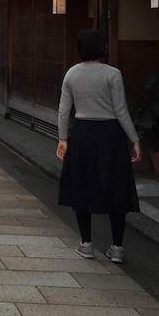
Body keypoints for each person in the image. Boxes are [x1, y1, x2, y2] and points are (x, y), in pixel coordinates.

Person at [57, 29, 141, 264]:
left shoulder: (72, 74)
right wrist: (134, 139)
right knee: (116, 187)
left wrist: (62, 138)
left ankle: (86, 243)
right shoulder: (113, 74)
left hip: (82, 133)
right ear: (103, 47)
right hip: (110, 135)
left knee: (81, 186)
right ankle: (117, 247)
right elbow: (121, 109)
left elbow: (64, 111)